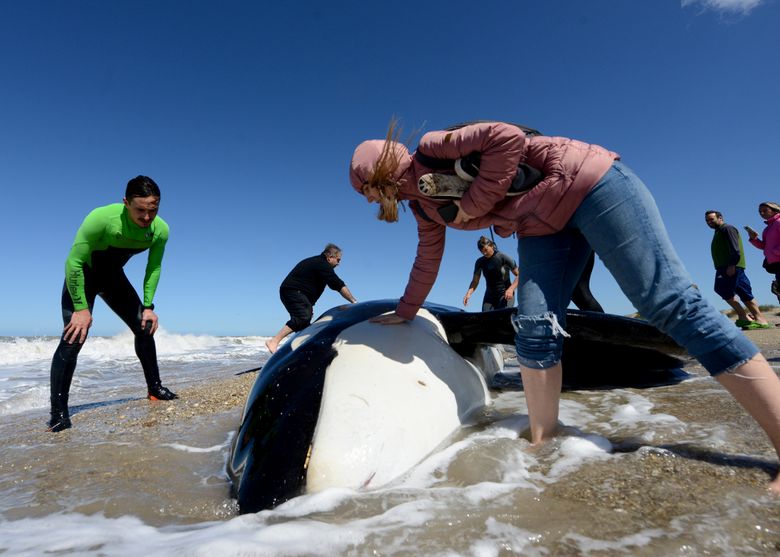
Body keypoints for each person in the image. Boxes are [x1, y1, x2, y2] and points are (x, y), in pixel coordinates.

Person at [349, 120, 780, 492]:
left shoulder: (433, 147)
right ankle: (545, 438)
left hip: (590, 183)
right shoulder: (424, 209)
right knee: (533, 325)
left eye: (365, 188)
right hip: (540, 226)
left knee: (667, 303)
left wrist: (472, 205)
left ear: (377, 173)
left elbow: (506, 138)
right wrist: (405, 312)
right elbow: (427, 260)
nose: (369, 199)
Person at [48, 176, 177, 433]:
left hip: (113, 279)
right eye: (140, 210)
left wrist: (149, 305)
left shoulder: (160, 230)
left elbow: (154, 267)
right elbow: (73, 261)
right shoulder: (101, 219)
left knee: (144, 326)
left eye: (153, 210)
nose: (146, 217)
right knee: (74, 337)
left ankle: (154, 388)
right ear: (126, 203)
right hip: (82, 276)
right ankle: (58, 412)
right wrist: (81, 308)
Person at [265, 244, 357, 353]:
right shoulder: (322, 265)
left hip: (293, 292)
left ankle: (294, 352)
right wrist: (353, 301)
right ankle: (274, 341)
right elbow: (337, 284)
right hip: (293, 291)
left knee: (303, 326)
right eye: (338, 259)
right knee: (303, 317)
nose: (339, 263)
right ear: (330, 257)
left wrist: (309, 305)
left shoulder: (318, 263)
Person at [704, 210, 772, 330]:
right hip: (728, 266)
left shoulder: (727, 228)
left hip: (730, 266)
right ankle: (759, 319)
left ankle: (744, 316)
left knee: (722, 289)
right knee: (743, 292)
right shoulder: (719, 231)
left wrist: (732, 265)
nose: (709, 222)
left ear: (720, 218)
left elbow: (735, 248)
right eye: (707, 220)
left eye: (711, 219)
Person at [463, 236, 519, 311]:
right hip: (489, 296)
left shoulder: (503, 257)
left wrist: (511, 289)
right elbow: (475, 281)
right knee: (485, 319)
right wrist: (468, 293)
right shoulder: (480, 262)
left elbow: (520, 275)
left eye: (486, 250)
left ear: (492, 246)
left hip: (505, 294)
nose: (484, 253)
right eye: (482, 252)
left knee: (501, 318)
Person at [746, 202, 780, 305]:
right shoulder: (767, 228)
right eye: (760, 211)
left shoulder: (779, 222)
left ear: (774, 210)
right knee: (778, 290)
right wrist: (753, 238)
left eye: (765, 210)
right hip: (776, 264)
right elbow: (764, 246)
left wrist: (776, 252)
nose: (762, 213)